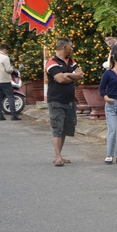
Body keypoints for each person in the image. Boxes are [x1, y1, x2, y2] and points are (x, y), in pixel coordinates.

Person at [46, 38, 84, 166]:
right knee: (57, 128)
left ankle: (59, 154)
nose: (72, 49)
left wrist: (67, 75)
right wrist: (71, 76)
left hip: (70, 101)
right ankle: (57, 156)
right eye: (71, 46)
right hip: (56, 100)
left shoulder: (71, 61)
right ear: (64, 47)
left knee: (65, 129)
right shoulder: (52, 62)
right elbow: (59, 79)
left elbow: (80, 74)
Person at [0, 44, 19, 121]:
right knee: (10, 96)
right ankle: (13, 115)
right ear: (5, 50)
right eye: (7, 51)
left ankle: (0, 116)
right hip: (4, 80)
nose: (7, 52)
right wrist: (13, 70)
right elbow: (8, 69)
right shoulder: (5, 58)